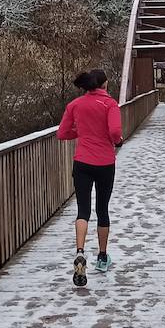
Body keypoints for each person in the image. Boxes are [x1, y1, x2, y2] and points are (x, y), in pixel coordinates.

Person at [56, 68, 123, 287]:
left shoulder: (75, 105)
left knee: (82, 210)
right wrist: (118, 140)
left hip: (82, 162)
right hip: (104, 163)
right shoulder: (110, 104)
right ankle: (102, 256)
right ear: (104, 85)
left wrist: (82, 132)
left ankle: (80, 251)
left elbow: (62, 133)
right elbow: (114, 132)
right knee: (102, 209)